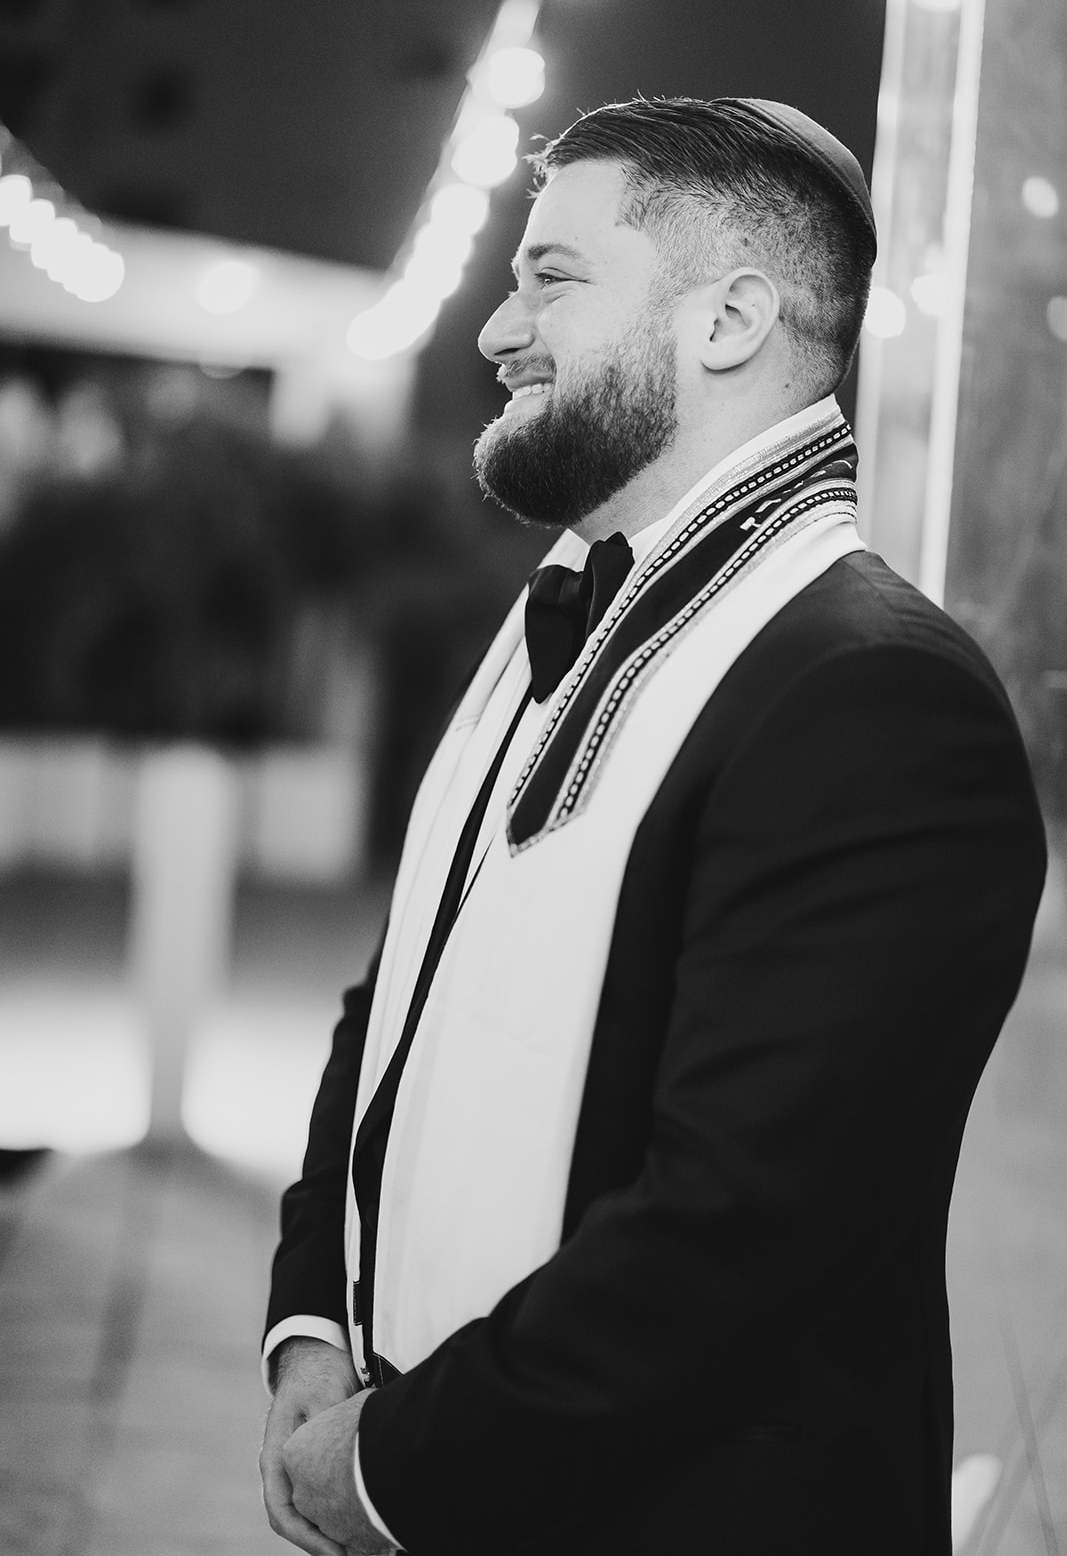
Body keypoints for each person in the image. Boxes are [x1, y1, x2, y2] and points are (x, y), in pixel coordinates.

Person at [259, 97, 1047, 1556]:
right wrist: (313, 1326)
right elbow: (398, 1004)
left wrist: (394, 1469)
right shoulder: (551, 626)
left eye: (552, 278)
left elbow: (742, 1233)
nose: (497, 331)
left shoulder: (879, 696)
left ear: (729, 320)